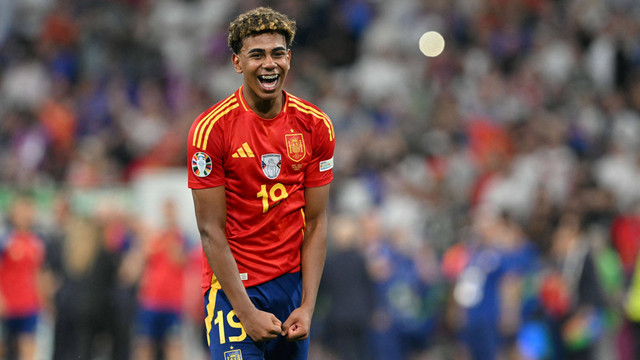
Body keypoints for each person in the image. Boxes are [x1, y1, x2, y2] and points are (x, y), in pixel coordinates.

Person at [186, 7, 335, 360]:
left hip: (290, 289)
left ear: (289, 58)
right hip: (234, 290)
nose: (269, 64)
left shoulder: (316, 126)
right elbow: (210, 230)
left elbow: (315, 222)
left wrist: (308, 306)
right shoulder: (211, 130)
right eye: (257, 55)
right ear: (238, 63)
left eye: (277, 53)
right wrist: (246, 312)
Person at [0, 195, 45, 360]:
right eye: (21, 210)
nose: (25, 214)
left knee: (28, 344)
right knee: (5, 346)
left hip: (29, 303)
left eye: (28, 210)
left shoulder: (37, 240)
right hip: (7, 303)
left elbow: (37, 272)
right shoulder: (5, 239)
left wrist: (42, 298)